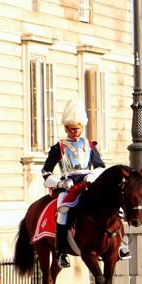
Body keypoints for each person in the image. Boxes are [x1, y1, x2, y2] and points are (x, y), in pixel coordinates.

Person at [41, 99, 110, 267]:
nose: (75, 132)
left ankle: (119, 243)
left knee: (111, 201)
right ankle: (61, 251)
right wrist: (60, 184)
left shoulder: (89, 145)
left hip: (89, 182)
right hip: (69, 183)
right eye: (71, 129)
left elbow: (100, 166)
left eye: (77, 129)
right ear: (66, 128)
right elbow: (45, 172)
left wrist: (93, 175)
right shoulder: (59, 147)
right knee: (63, 208)